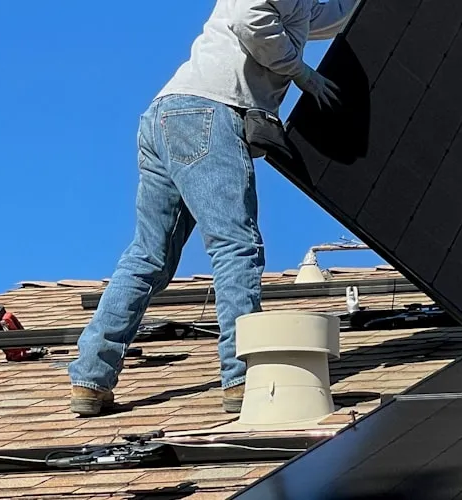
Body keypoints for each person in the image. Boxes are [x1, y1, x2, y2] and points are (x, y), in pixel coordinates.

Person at [68, 0, 360, 416]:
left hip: (170, 115)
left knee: (148, 255)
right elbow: (249, 19)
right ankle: (242, 377)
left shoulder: (305, 4)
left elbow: (330, 17)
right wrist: (302, 73)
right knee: (236, 246)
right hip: (208, 111)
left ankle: (90, 378)